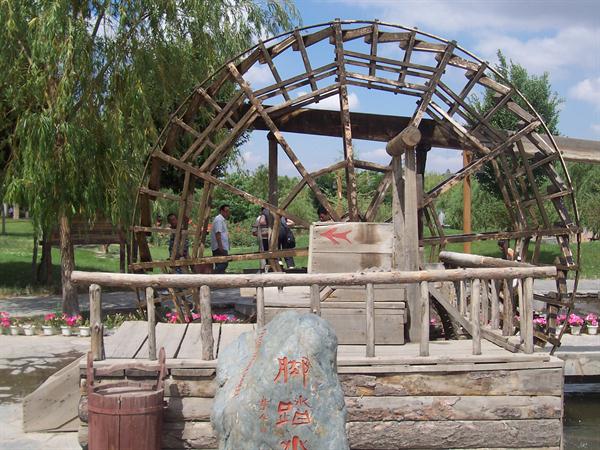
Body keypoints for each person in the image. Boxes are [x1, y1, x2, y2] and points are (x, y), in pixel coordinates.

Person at [211, 204, 231, 273]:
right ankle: (212, 274)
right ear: (221, 211)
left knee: (221, 264)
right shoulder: (218, 220)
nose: (228, 213)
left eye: (228, 211)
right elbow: (218, 234)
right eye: (226, 211)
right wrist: (220, 247)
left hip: (221, 247)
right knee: (224, 263)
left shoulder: (222, 220)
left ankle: (218, 280)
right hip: (219, 248)